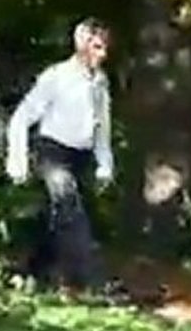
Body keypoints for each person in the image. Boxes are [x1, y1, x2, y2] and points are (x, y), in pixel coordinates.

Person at [6, 18, 115, 293]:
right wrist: (17, 160)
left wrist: (105, 163)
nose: (103, 55)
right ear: (80, 44)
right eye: (97, 47)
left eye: (105, 48)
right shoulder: (56, 77)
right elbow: (22, 117)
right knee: (69, 206)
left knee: (55, 218)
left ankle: (30, 272)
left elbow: (102, 124)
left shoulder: (100, 83)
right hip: (52, 151)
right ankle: (92, 280)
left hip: (81, 155)